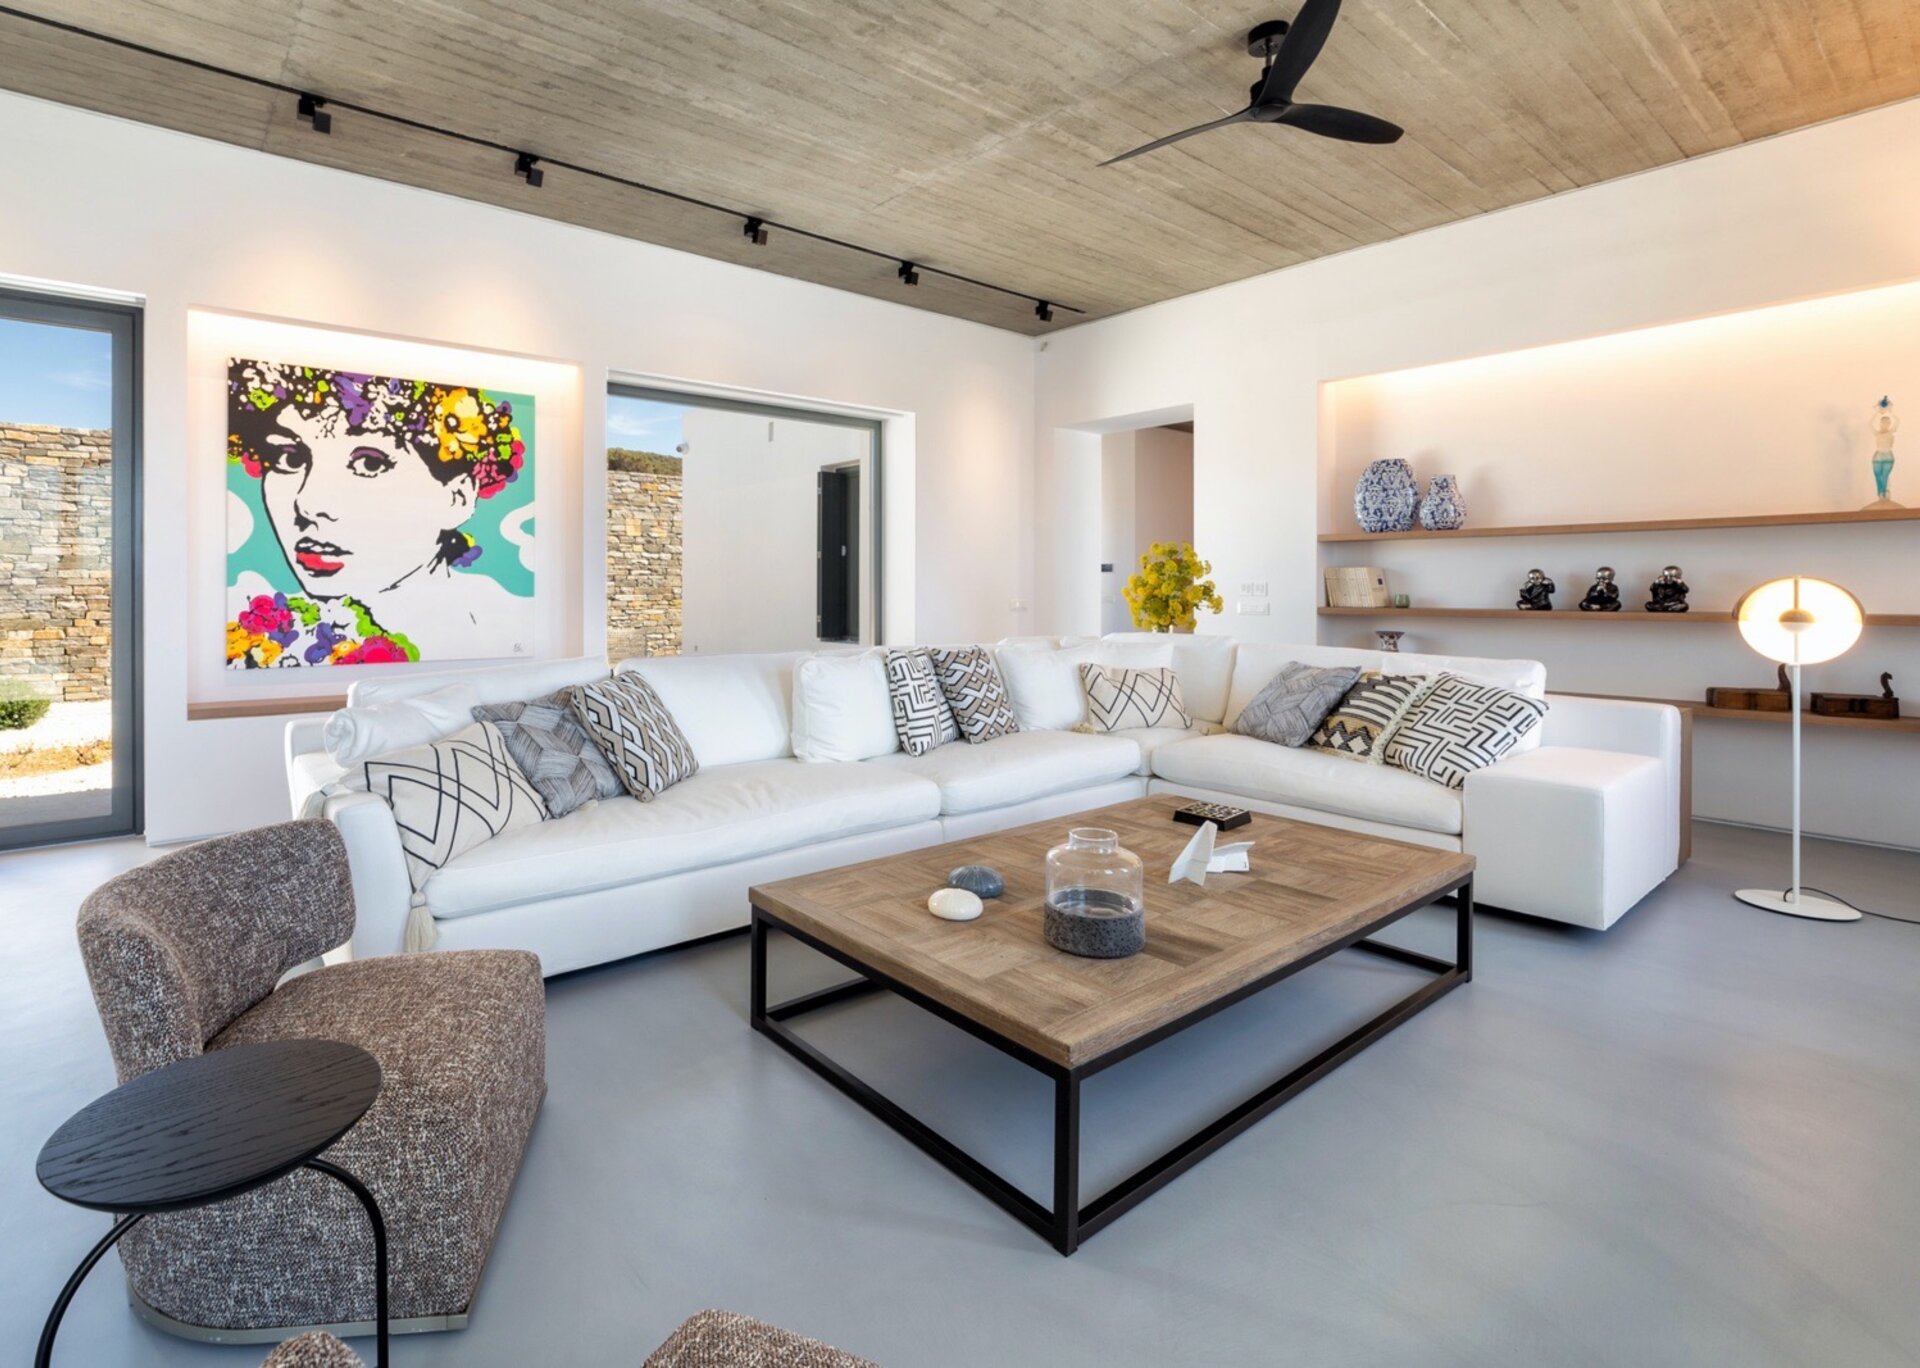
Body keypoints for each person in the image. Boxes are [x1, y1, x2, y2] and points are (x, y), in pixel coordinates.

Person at [225, 360, 526, 668]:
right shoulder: (263, 639)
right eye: (289, 459)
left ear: (458, 498)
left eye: (369, 464)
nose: (309, 504)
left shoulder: (516, 626)